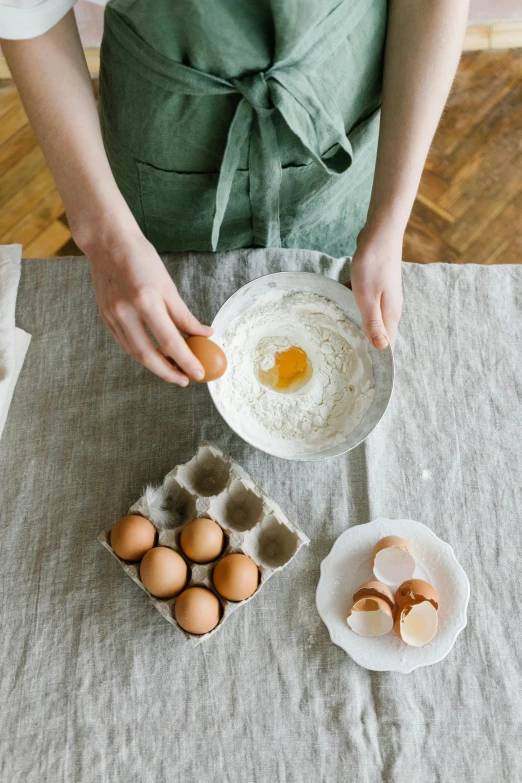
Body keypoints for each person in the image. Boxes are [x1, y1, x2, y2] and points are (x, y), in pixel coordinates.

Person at [1, 0, 469, 386]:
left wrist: (388, 223)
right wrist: (105, 235)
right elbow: (27, 16)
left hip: (335, 97)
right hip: (169, 117)